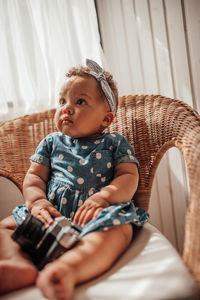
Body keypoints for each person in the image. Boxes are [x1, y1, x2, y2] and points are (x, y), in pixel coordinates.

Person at [0, 59, 149, 299]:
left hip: (95, 217)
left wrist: (105, 197)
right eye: (62, 101)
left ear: (106, 119)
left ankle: (67, 269)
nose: (66, 108)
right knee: (6, 227)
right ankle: (19, 263)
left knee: (120, 231)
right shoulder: (50, 142)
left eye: (80, 101)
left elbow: (128, 176)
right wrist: (37, 202)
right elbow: (35, 177)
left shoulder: (114, 143)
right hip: (50, 217)